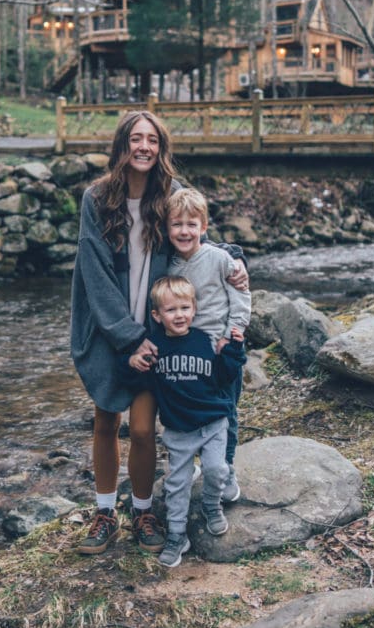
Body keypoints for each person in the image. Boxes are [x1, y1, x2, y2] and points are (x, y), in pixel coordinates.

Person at [70, 108, 247, 556]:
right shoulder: (97, 199)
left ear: (161, 147)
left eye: (152, 139)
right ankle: (106, 512)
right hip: (111, 330)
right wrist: (127, 338)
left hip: (157, 332)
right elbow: (93, 272)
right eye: (135, 138)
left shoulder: (171, 194)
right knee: (106, 420)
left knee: (146, 429)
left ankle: (144, 511)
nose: (143, 146)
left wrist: (233, 255)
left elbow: (195, 235)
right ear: (122, 145)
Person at [125, 275, 246, 569]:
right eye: (170, 310)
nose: (179, 315)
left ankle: (210, 505)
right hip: (178, 429)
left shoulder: (205, 340)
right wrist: (131, 363)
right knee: (176, 485)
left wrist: (233, 351)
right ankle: (178, 536)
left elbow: (222, 377)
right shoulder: (153, 347)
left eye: (184, 308)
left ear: (194, 308)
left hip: (213, 422)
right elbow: (138, 381)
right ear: (157, 315)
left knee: (217, 469)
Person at [166, 187, 251, 503]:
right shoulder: (169, 266)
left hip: (221, 352)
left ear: (203, 227)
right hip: (186, 355)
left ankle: (226, 469)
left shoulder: (219, 259)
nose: (184, 231)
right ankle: (193, 463)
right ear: (167, 228)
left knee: (225, 411)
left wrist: (234, 332)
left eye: (192, 224)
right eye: (177, 224)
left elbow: (241, 295)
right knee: (187, 409)